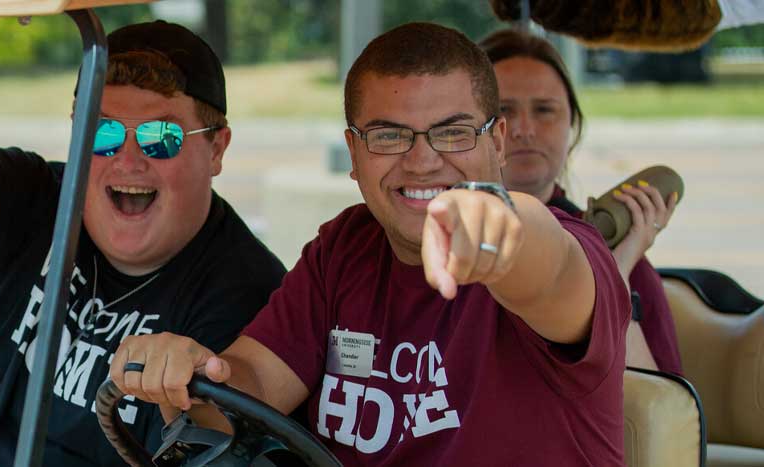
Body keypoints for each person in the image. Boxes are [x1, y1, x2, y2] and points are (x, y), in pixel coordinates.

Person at [111, 23, 627, 466]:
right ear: (354, 153)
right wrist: (191, 369)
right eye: (387, 136)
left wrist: (505, 228)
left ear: (497, 142)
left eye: (453, 134)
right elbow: (252, 387)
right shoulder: (346, 247)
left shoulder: (567, 250)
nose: (423, 161)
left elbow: (548, 266)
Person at [0, 20, 288, 467]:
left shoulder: (252, 294)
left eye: (161, 138)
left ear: (217, 148)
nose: (127, 160)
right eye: (102, 132)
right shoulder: (38, 199)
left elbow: (220, 439)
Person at [481, 28, 683, 375]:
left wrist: (615, 279)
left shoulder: (622, 259)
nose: (523, 128)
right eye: (503, 110)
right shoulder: (430, 242)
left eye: (545, 110)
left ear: (572, 124)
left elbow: (666, 408)